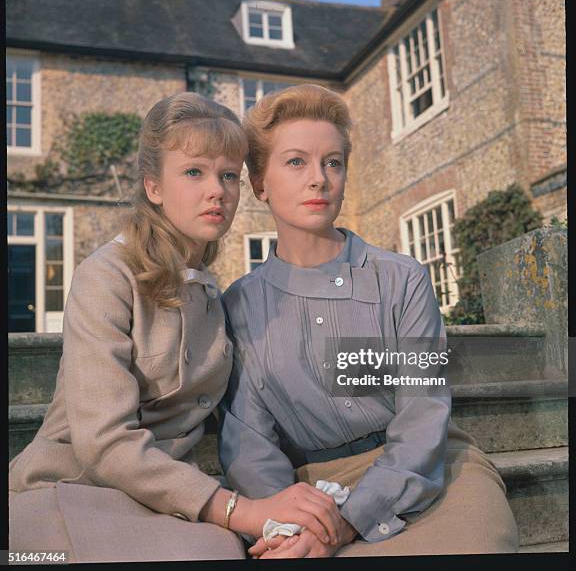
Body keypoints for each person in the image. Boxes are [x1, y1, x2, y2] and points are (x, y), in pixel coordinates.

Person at [8, 92, 343, 563]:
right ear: (153, 187)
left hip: (169, 502)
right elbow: (103, 441)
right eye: (194, 172)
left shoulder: (217, 296)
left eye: (228, 175)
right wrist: (238, 509)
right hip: (74, 487)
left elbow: (248, 420)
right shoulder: (106, 276)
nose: (218, 191)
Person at [218, 84, 519, 558]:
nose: (319, 179)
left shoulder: (401, 280)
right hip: (307, 493)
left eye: (332, 162)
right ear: (260, 183)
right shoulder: (238, 306)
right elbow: (249, 445)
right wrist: (293, 525)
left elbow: (422, 414)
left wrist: (349, 521)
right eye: (296, 162)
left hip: (426, 472)